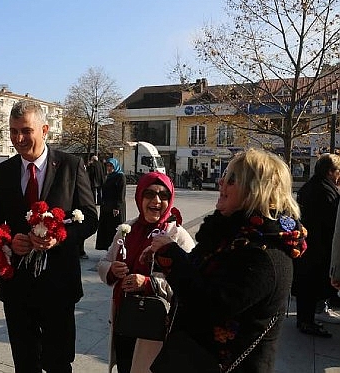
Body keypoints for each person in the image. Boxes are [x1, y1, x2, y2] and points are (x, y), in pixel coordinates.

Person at [142, 148, 307, 372]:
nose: (221, 182)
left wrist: (172, 256)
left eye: (231, 179)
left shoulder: (265, 253)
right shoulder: (229, 234)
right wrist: (165, 256)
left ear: (255, 189)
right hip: (190, 356)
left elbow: (210, 304)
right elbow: (200, 271)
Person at [0, 100, 98, 373]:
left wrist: (61, 237)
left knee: (58, 362)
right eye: (13, 131)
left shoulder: (70, 166)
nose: (18, 139)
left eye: (25, 130)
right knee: (25, 362)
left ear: (44, 129)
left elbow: (91, 219)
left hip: (58, 284)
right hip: (18, 286)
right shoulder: (3, 173)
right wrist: (10, 241)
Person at [98, 172, 195, 373]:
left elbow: (191, 282)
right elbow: (105, 261)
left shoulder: (176, 235)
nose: (156, 201)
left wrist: (148, 283)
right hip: (125, 321)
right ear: (139, 197)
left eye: (163, 195)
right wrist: (112, 269)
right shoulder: (128, 228)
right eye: (149, 194)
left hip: (154, 328)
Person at [295, 153, 340, 336]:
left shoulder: (309, 186)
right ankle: (308, 322)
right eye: (338, 171)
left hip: (307, 246)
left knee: (306, 286)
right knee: (311, 286)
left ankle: (304, 319)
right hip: (318, 248)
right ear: (330, 172)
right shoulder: (327, 191)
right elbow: (333, 224)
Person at [95, 158, 127, 250]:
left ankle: (116, 249)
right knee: (107, 229)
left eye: (111, 166)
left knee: (115, 229)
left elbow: (121, 193)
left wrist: (117, 207)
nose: (109, 168)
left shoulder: (120, 177)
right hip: (106, 207)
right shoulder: (108, 176)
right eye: (108, 166)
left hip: (115, 207)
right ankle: (108, 248)